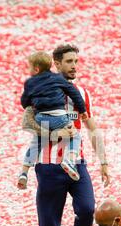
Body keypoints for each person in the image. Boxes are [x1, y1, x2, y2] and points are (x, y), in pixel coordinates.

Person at [21, 44, 110, 226]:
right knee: (49, 218)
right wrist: (56, 135)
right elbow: (28, 125)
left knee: (87, 208)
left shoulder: (82, 93)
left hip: (77, 163)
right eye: (69, 61)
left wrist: (103, 160)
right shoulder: (40, 90)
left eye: (76, 62)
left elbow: (91, 127)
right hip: (49, 165)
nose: (74, 66)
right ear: (56, 64)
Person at [17, 51, 88, 188]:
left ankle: (24, 172)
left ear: (36, 69)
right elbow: (73, 92)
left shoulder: (30, 82)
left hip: (40, 118)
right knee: (74, 136)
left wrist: (31, 104)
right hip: (58, 117)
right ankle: (70, 160)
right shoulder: (57, 78)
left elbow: (24, 100)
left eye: (29, 67)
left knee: (36, 142)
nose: (29, 70)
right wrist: (82, 109)